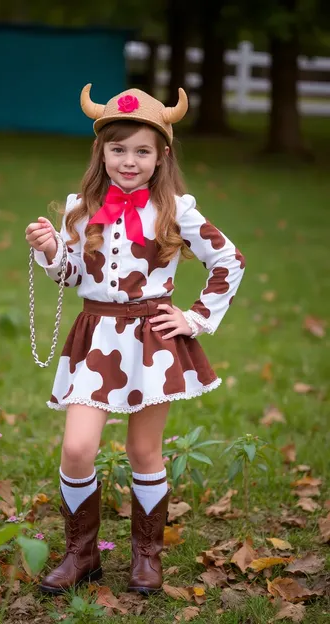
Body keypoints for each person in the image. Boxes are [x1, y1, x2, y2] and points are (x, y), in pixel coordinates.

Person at [25, 84, 246, 596]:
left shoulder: (176, 209)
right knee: (78, 448)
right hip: (96, 336)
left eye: (142, 150)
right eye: (118, 149)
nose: (129, 160)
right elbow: (72, 275)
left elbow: (229, 260)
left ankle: (147, 556)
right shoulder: (81, 209)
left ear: (161, 155)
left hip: (152, 339)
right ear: (101, 152)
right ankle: (81, 555)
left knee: (144, 450)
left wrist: (194, 318)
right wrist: (53, 249)